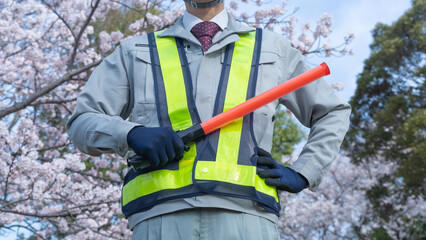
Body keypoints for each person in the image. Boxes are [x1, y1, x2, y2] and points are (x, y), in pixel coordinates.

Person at [67, 0, 351, 239]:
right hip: (159, 220)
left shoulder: (274, 50)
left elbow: (332, 112)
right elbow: (82, 122)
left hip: (248, 220)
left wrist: (305, 171)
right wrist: (130, 133)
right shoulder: (135, 52)